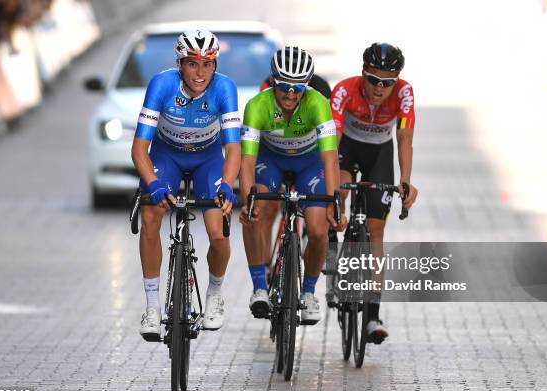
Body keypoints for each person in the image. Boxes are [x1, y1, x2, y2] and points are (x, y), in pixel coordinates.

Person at [131, 29, 241, 340]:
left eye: (207, 65)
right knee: (151, 216)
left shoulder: (224, 88)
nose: (200, 73)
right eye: (193, 64)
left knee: (218, 231)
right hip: (167, 156)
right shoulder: (162, 85)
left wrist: (228, 186)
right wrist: (153, 185)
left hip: (208, 160)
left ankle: (214, 294)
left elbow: (233, 148)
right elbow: (140, 148)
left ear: (215, 65)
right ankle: (153, 307)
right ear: (180, 63)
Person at [239, 46, 346, 325]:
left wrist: (335, 202)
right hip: (270, 160)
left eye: (297, 88)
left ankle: (309, 293)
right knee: (255, 212)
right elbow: (247, 162)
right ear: (273, 80)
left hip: (309, 164)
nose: (289, 94)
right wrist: (247, 200)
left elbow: (330, 159)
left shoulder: (319, 104)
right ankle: (260, 287)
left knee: (319, 230)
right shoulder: (257, 106)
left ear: (307, 85)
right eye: (283, 86)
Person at [330, 42, 418, 343]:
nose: (380, 88)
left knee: (376, 231)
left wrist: (405, 181)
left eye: (388, 83)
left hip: (380, 153)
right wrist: (332, 193)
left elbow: (404, 138)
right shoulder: (344, 91)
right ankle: (332, 245)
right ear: (363, 73)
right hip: (347, 149)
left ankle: (372, 316)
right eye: (374, 80)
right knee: (338, 192)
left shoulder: (404, 93)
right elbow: (332, 140)